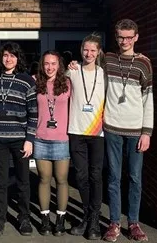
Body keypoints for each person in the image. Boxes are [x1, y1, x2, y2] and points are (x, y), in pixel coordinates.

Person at [102, 19, 153, 242]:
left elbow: (148, 99)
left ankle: (133, 222)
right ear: (116, 36)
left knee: (135, 178)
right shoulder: (108, 60)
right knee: (113, 177)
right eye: (121, 37)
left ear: (136, 37)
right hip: (112, 126)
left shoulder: (144, 64)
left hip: (135, 129)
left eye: (129, 37)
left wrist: (146, 132)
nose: (125, 41)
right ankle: (114, 222)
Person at [0, 42, 38, 237]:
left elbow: (34, 113)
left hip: (19, 139)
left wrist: (29, 139)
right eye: (6, 55)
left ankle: (23, 217)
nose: (9, 59)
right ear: (1, 58)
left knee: (23, 180)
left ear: (18, 59)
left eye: (13, 56)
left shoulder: (26, 81)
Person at [66, 33, 105, 240]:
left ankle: (94, 221)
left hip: (97, 132)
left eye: (93, 50)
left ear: (98, 52)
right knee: (81, 177)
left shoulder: (104, 74)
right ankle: (88, 217)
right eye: (85, 50)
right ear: (81, 50)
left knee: (95, 176)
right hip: (76, 131)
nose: (88, 53)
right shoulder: (72, 71)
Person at [33, 50, 72, 237]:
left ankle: (61, 220)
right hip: (41, 139)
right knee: (44, 179)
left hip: (62, 139)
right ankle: (45, 220)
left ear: (59, 65)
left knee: (62, 180)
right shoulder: (36, 83)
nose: (50, 67)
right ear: (42, 65)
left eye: (53, 63)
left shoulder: (68, 83)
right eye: (46, 63)